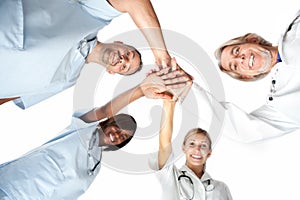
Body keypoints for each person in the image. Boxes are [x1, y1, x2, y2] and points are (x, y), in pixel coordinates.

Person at [0, 69, 190, 200]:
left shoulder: (95, 167)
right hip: (9, 185)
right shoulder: (83, 128)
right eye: (118, 127)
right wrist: (141, 90)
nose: (117, 134)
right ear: (109, 123)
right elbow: (106, 109)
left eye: (123, 136)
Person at [0, 0, 177, 109]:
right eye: (128, 55)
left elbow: (13, 95)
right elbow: (133, 2)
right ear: (119, 43)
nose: (122, 60)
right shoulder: (93, 15)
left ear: (111, 71)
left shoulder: (67, 81)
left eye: (124, 67)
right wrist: (162, 57)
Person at [192, 10, 300, 143]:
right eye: (235, 66)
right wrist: (183, 88)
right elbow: (245, 132)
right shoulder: (282, 102)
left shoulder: (295, 28)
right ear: (248, 77)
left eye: (236, 50)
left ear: (252, 40)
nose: (240, 59)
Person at [150, 99, 232, 200]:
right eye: (192, 144)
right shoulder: (171, 177)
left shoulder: (221, 188)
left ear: (209, 153)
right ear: (184, 148)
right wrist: (169, 103)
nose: (197, 150)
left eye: (203, 145)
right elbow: (164, 144)